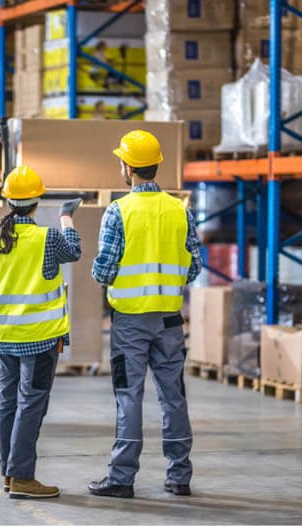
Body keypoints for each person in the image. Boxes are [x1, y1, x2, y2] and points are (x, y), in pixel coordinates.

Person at [89, 130, 202, 499]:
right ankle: (179, 476)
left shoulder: (118, 212)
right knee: (174, 395)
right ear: (156, 166)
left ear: (127, 167)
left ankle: (122, 478)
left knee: (129, 396)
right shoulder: (179, 210)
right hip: (170, 319)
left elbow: (103, 271)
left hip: (130, 323)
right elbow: (194, 268)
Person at [0, 165, 82, 500]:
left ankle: (9, 474)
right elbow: (75, 251)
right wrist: (67, 217)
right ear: (37, 201)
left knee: (8, 402)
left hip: (2, 336)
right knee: (32, 404)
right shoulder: (47, 238)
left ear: (8, 200)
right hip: (38, 338)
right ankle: (22, 477)